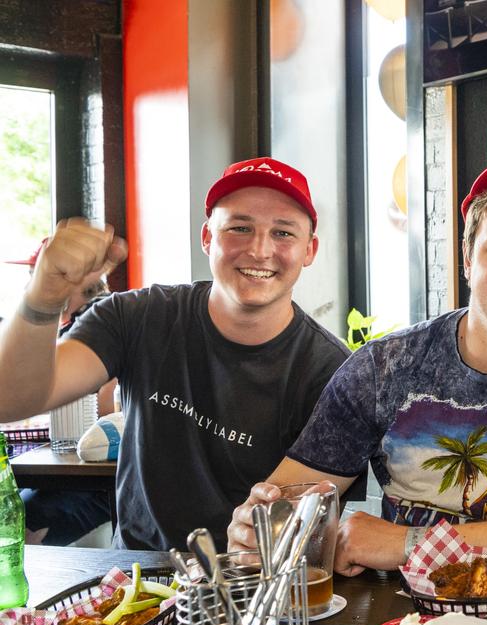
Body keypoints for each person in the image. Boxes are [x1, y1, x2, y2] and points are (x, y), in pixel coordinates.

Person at [225, 158, 487, 576]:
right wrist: (261, 527)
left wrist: (408, 543)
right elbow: (288, 503)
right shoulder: (384, 368)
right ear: (466, 257)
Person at [0, 157, 351, 551]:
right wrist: (43, 296)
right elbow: (10, 399)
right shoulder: (139, 317)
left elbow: (302, 521)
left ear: (309, 249)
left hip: (251, 585)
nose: (259, 250)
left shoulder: (331, 372)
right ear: (207, 238)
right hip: (135, 582)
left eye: (283, 233)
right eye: (240, 227)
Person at [5, 239, 118, 545]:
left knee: (16, 522)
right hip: (70, 476)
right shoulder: (77, 327)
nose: (34, 285)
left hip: (98, 485)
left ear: (76, 277)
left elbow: (112, 409)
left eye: (42, 276)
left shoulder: (106, 324)